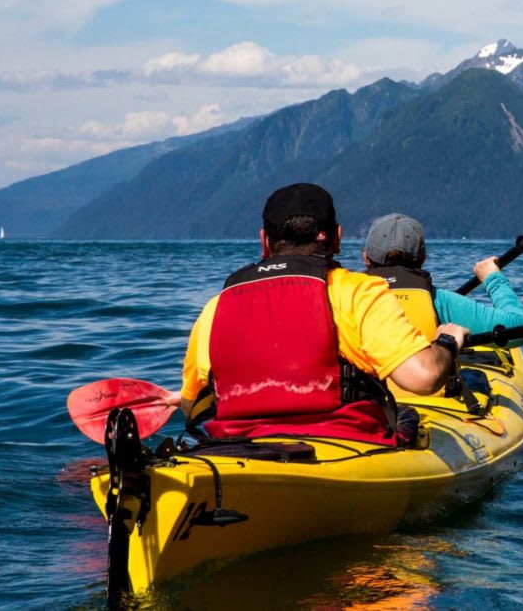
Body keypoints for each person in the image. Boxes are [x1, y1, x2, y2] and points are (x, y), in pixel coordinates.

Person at [178, 183, 469, 446]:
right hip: (345, 447)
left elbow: (192, 407)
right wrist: (447, 342)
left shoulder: (217, 306)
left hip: (236, 450)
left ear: (264, 241)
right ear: (336, 238)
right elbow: (425, 377)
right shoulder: (358, 292)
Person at [360, 212, 523, 359]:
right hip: (423, 391)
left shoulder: (345, 297)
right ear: (423, 259)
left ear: (366, 258)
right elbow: (519, 329)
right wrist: (492, 278)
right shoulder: (439, 301)